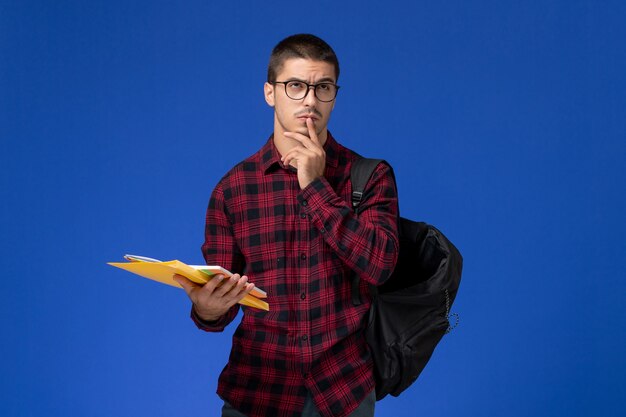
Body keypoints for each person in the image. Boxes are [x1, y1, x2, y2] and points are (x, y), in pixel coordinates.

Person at [174, 34, 399, 417]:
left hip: (343, 392)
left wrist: (315, 185)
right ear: (270, 93)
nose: (310, 100)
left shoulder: (369, 176)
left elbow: (379, 265)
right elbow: (218, 312)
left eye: (323, 87)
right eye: (295, 86)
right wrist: (208, 309)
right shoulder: (234, 189)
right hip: (258, 392)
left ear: (334, 95)